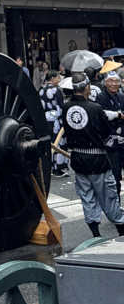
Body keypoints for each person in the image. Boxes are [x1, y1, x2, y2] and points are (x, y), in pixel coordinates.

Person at [63, 73, 124, 239]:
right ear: (87, 87)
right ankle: (121, 231)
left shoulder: (66, 107)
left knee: (87, 197)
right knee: (109, 196)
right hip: (97, 159)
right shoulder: (94, 108)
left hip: (77, 158)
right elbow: (106, 133)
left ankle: (96, 235)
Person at [97, 71, 124, 199]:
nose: (114, 84)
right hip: (110, 141)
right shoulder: (101, 97)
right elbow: (101, 117)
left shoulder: (121, 96)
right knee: (115, 175)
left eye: (116, 81)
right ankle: (116, 205)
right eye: (111, 81)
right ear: (106, 83)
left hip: (122, 137)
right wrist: (117, 115)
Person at [39, 70, 67, 177]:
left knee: (49, 142)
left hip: (45, 119)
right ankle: (58, 167)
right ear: (52, 79)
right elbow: (60, 106)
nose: (59, 80)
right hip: (56, 119)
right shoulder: (57, 90)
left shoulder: (41, 89)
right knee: (58, 142)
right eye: (58, 78)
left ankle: (49, 166)